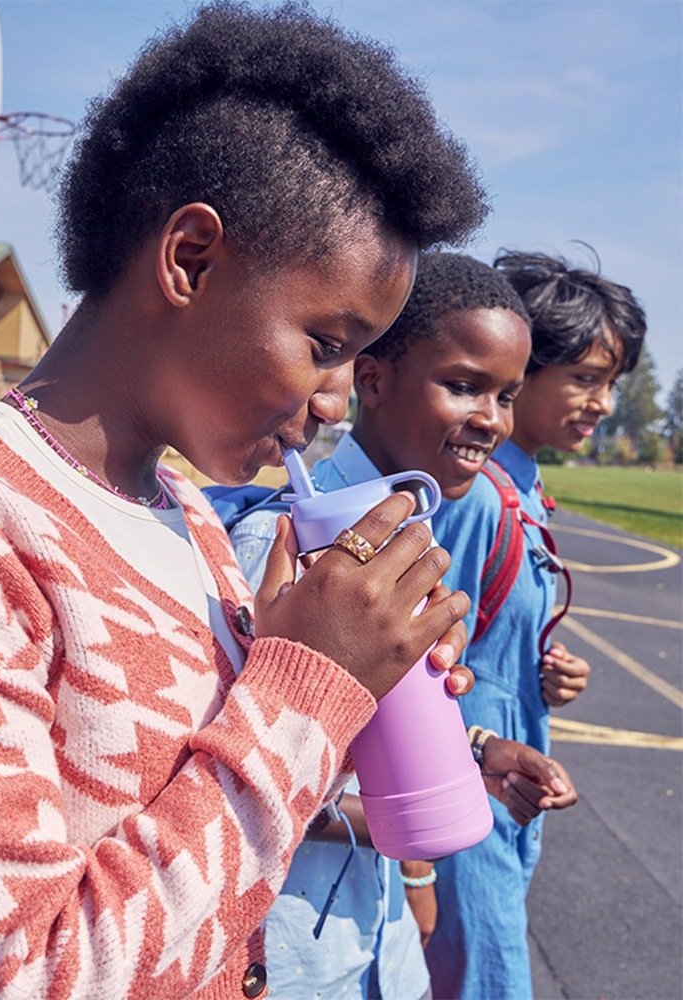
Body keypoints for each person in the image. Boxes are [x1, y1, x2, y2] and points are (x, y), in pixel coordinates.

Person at [0, 6, 490, 998]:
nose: (333, 399)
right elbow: (4, 980)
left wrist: (364, 708)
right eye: (325, 344)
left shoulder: (182, 509)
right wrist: (306, 688)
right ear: (190, 259)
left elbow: (195, 813)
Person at [216, 252, 579, 1000]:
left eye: (507, 395)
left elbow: (368, 733)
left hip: (377, 953)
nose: (492, 419)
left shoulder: (413, 536)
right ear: (372, 380)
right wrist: (412, 828)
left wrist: (472, 750)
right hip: (290, 961)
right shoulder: (285, 549)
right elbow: (235, 785)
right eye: (464, 385)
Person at [425, 248, 648, 999]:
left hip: (514, 769)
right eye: (586, 378)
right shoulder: (476, 493)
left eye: (611, 383)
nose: (604, 403)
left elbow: (492, 635)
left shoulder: (525, 487)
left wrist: (545, 670)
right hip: (471, 777)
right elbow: (427, 661)